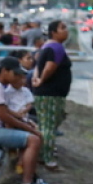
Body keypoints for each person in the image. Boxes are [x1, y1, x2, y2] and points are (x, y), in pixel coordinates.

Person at [31, 20, 72, 171]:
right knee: (48, 127)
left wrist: (37, 78)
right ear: (53, 32)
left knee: (47, 124)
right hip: (50, 94)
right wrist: (41, 79)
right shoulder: (56, 47)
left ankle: (43, 153)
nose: (66, 30)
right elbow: (49, 67)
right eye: (63, 28)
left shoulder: (47, 46)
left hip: (49, 93)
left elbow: (38, 65)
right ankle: (47, 159)